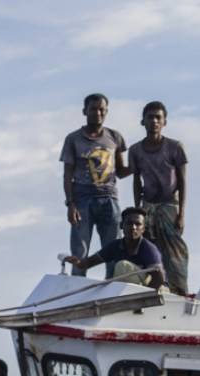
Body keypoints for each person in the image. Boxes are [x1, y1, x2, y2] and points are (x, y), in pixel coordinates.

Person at [61, 93, 129, 275]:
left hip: (109, 199)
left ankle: (112, 292)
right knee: (80, 253)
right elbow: (67, 174)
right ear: (85, 111)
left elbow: (121, 171)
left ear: (106, 112)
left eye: (102, 109)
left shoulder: (115, 137)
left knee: (114, 251)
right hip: (82, 201)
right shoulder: (73, 139)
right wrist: (70, 203)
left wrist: (140, 165)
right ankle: (77, 292)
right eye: (93, 109)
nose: (97, 113)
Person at [130, 101, 189, 294]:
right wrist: (137, 209)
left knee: (175, 250)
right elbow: (137, 181)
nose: (154, 121)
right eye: (150, 117)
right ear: (143, 121)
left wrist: (181, 213)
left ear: (164, 122)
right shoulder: (136, 150)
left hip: (169, 204)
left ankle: (180, 291)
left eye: (158, 117)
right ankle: (155, 289)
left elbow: (182, 181)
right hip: (148, 205)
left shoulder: (174, 146)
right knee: (149, 248)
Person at [65, 207, 166, 289]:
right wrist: (78, 262)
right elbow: (88, 263)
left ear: (143, 229)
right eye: (129, 223)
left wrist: (143, 300)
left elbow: (159, 278)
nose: (133, 227)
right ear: (122, 225)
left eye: (138, 224)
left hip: (157, 289)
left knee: (122, 266)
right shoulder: (115, 246)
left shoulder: (148, 248)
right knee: (108, 282)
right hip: (136, 287)